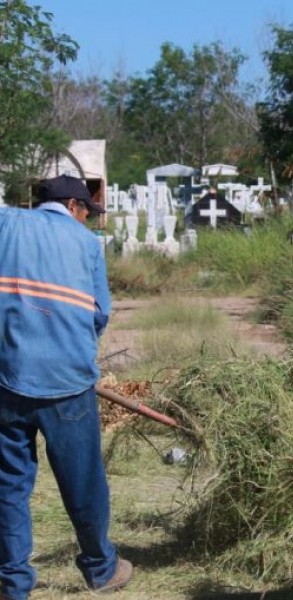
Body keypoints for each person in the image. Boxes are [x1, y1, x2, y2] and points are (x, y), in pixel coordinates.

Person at [0, 175, 132, 599]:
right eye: (86, 214)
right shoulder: (86, 245)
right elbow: (98, 316)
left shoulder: (7, 224)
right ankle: (100, 568)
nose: (88, 222)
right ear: (75, 206)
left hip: (7, 377)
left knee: (8, 485)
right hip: (67, 384)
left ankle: (13, 582)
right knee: (83, 483)